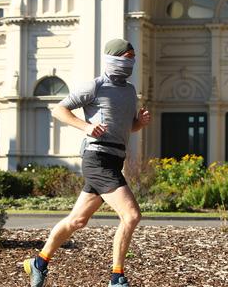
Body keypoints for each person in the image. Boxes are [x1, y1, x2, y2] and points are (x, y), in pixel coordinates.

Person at [23, 38, 151, 287]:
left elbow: (127, 128)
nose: (131, 62)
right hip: (97, 159)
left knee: (77, 221)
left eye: (133, 58)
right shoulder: (95, 86)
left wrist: (140, 123)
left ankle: (39, 262)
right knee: (131, 215)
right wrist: (86, 126)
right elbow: (59, 109)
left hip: (114, 160)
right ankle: (117, 277)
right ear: (113, 58)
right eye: (127, 57)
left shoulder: (129, 91)